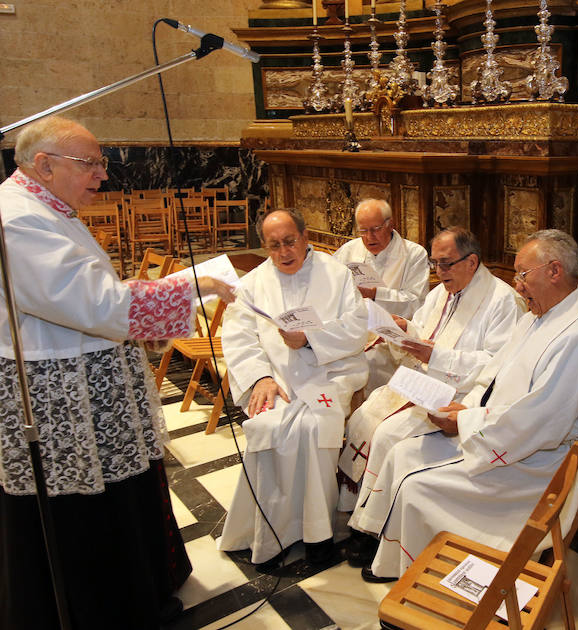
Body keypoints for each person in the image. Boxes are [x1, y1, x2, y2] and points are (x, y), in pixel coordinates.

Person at [0, 116, 236, 630]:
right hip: (60, 391)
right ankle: (104, 609)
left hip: (87, 376)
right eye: (90, 164)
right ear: (44, 165)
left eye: (101, 162)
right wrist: (194, 284)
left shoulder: (49, 208)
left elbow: (86, 288)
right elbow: (96, 305)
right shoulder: (18, 219)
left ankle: (138, 586)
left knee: (114, 493)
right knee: (82, 507)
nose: (102, 175)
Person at [349, 229, 578, 581]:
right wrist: (462, 411)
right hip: (501, 432)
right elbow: (491, 377)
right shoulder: (538, 316)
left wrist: (467, 422)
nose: (517, 286)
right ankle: (397, 554)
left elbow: (542, 420)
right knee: (401, 453)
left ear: (554, 271)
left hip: (536, 462)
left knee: (416, 485)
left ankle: (423, 576)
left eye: (523, 274)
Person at [338, 227, 522, 560]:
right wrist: (403, 329)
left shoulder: (503, 301)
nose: (440, 272)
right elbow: (425, 329)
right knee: (365, 414)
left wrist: (434, 355)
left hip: (459, 395)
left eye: (446, 263)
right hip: (423, 381)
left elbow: (495, 365)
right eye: (436, 263)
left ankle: (374, 529)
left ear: (472, 261)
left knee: (387, 434)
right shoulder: (443, 292)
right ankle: (356, 508)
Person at [217, 209, 368, 568]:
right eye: (274, 246)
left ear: (304, 237)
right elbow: (238, 338)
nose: (284, 252)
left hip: (330, 374)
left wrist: (311, 340)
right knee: (268, 427)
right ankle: (272, 532)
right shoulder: (253, 283)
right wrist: (259, 378)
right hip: (278, 379)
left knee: (314, 428)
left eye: (289, 242)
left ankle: (319, 536)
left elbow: (357, 328)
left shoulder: (336, 274)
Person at [332, 198, 429, 394]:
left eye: (375, 229)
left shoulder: (414, 254)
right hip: (351, 329)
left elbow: (416, 303)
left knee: (365, 363)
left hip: (390, 340)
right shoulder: (349, 250)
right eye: (363, 231)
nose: (369, 237)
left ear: (390, 224)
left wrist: (375, 294)